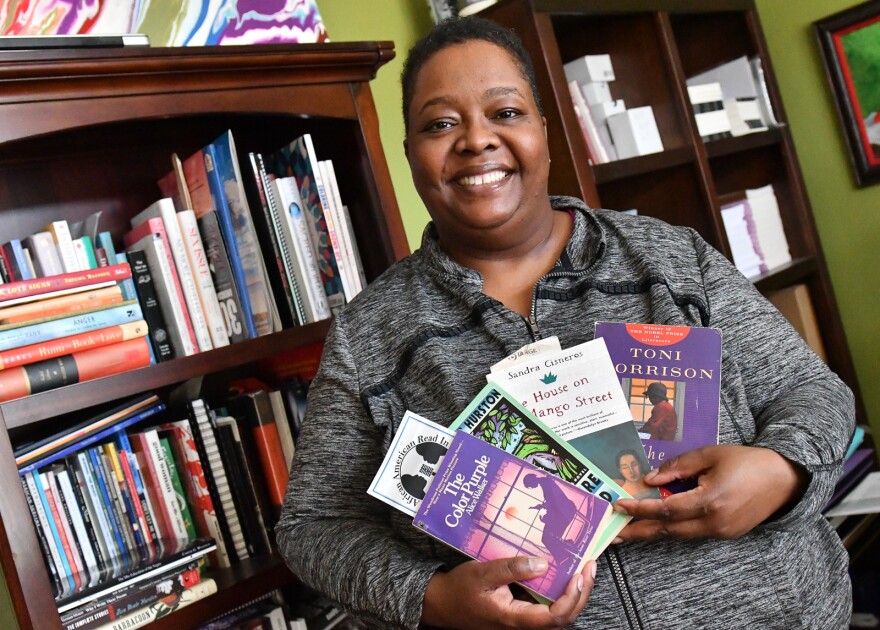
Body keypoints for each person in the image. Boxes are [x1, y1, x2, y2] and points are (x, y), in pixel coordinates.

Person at [275, 16, 855, 630]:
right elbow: (314, 527)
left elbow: (812, 392)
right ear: (411, 155)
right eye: (441, 124)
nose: (476, 140)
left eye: (506, 112)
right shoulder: (369, 337)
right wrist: (432, 598)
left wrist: (782, 470)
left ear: (545, 132)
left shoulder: (670, 260)